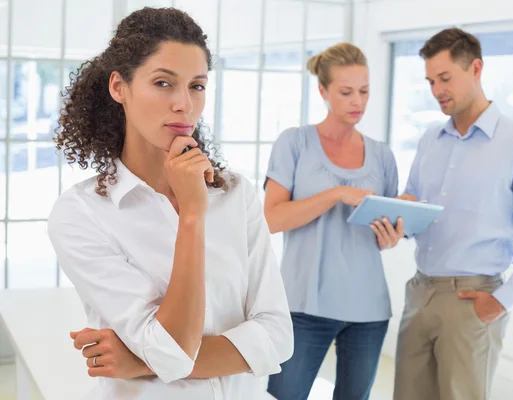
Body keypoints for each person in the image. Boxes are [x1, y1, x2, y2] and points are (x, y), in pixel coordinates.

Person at [47, 7, 293, 399]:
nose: (184, 104)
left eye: (197, 86)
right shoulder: (82, 214)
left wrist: (144, 360)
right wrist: (193, 214)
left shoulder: (236, 194)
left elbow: (278, 336)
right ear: (118, 87)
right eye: (163, 83)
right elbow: (175, 353)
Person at [393, 27, 513, 400]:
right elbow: (417, 207)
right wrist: (399, 218)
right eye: (430, 80)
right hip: (420, 292)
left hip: (474, 300)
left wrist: (501, 301)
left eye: (445, 78)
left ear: (476, 69)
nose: (437, 90)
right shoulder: (429, 140)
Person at [265, 42, 404, 400]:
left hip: (368, 310)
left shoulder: (382, 156)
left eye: (364, 91)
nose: (357, 101)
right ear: (323, 91)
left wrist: (390, 237)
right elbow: (271, 219)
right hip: (303, 307)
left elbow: (381, 231)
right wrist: (336, 194)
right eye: (346, 92)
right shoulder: (294, 143)